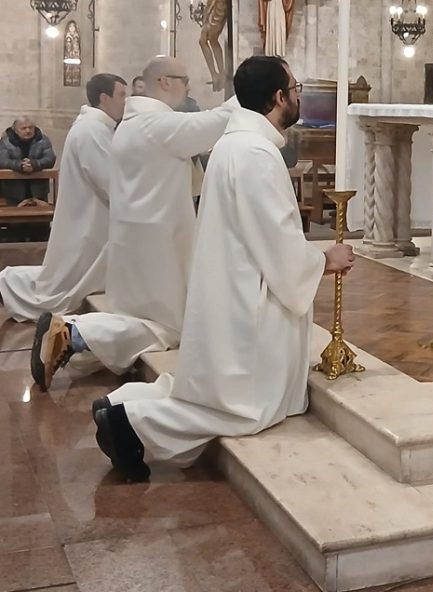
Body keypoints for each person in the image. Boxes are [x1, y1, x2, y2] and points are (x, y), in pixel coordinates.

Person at [91, 56, 355, 481]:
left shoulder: (234, 145)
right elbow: (278, 241)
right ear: (279, 97)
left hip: (232, 287)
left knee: (224, 395)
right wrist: (324, 259)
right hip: (249, 302)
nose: (299, 95)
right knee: (246, 409)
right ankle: (131, 424)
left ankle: (124, 405)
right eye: (295, 88)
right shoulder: (256, 154)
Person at [30, 55, 237, 390]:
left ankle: (76, 341)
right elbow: (215, 122)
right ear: (165, 82)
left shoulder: (131, 123)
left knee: (137, 317)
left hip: (133, 239)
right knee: (169, 328)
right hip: (157, 245)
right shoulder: (157, 125)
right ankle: (74, 333)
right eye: (185, 81)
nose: (188, 89)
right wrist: (250, 92)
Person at [0, 75, 126, 321]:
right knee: (64, 282)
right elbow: (110, 182)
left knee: (68, 275)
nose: (126, 101)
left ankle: (9, 282)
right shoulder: (91, 131)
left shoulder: (95, 128)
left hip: (90, 213)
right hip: (90, 217)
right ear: (104, 98)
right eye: (122, 95)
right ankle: (8, 284)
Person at [0, 116, 56, 206]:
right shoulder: (6, 142)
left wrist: (34, 164)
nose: (28, 131)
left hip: (39, 190)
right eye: (23, 128)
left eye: (30, 127)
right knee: (15, 214)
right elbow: (2, 161)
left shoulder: (43, 140)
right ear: (15, 130)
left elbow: (50, 159)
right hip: (13, 191)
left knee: (41, 214)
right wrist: (20, 165)